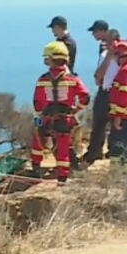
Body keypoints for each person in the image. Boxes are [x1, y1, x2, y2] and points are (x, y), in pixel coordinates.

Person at [30, 41, 90, 185]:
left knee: (37, 142)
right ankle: (62, 179)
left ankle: (36, 169)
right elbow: (85, 97)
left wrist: (39, 116)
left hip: (45, 118)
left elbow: (37, 103)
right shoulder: (73, 79)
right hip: (65, 119)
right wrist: (77, 108)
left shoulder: (43, 79)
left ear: (52, 59)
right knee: (63, 149)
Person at [82, 21, 121, 166]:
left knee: (102, 122)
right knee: (105, 123)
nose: (93, 35)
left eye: (95, 32)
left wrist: (109, 55)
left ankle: (99, 152)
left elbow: (99, 75)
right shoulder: (107, 52)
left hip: (110, 91)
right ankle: (98, 151)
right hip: (110, 90)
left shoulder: (110, 54)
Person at [46, 15, 81, 169]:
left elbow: (64, 66)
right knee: (58, 126)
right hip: (62, 86)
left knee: (61, 126)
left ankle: (69, 161)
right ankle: (66, 159)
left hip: (63, 87)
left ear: (59, 27)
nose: (53, 31)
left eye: (54, 28)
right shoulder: (67, 42)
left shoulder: (66, 43)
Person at [107, 40, 127, 166]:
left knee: (120, 145)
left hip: (125, 116)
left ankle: (120, 174)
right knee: (125, 145)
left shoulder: (126, 71)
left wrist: (118, 116)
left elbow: (124, 95)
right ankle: (122, 173)